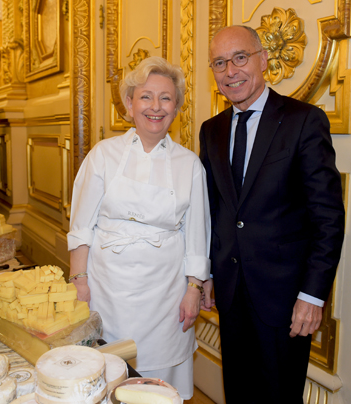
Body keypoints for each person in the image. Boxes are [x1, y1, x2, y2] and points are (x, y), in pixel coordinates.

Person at [198, 26, 345, 404]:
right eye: (219, 63)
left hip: (285, 298)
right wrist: (208, 273)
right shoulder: (210, 131)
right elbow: (213, 209)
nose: (230, 71)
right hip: (230, 293)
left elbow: (327, 217)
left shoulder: (304, 120)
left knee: (280, 395)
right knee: (240, 392)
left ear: (263, 60)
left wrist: (312, 295)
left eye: (240, 58)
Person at [68, 56, 212, 399]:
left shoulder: (189, 164)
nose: (156, 107)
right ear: (129, 104)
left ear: (176, 107)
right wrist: (79, 281)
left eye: (166, 98)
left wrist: (194, 288)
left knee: (159, 388)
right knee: (108, 374)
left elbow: (197, 234)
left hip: (166, 295)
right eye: (146, 96)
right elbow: (81, 225)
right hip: (107, 288)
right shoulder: (103, 154)